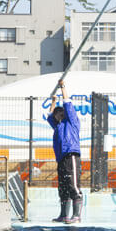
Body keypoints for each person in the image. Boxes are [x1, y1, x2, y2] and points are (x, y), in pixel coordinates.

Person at [47, 80, 82, 223]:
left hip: (71, 155)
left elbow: (67, 103)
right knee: (63, 187)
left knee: (73, 185)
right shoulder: (57, 127)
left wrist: (62, 87)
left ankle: (77, 215)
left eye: (59, 113)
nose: (56, 115)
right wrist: (53, 101)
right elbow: (49, 115)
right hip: (61, 159)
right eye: (56, 114)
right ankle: (64, 215)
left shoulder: (72, 122)